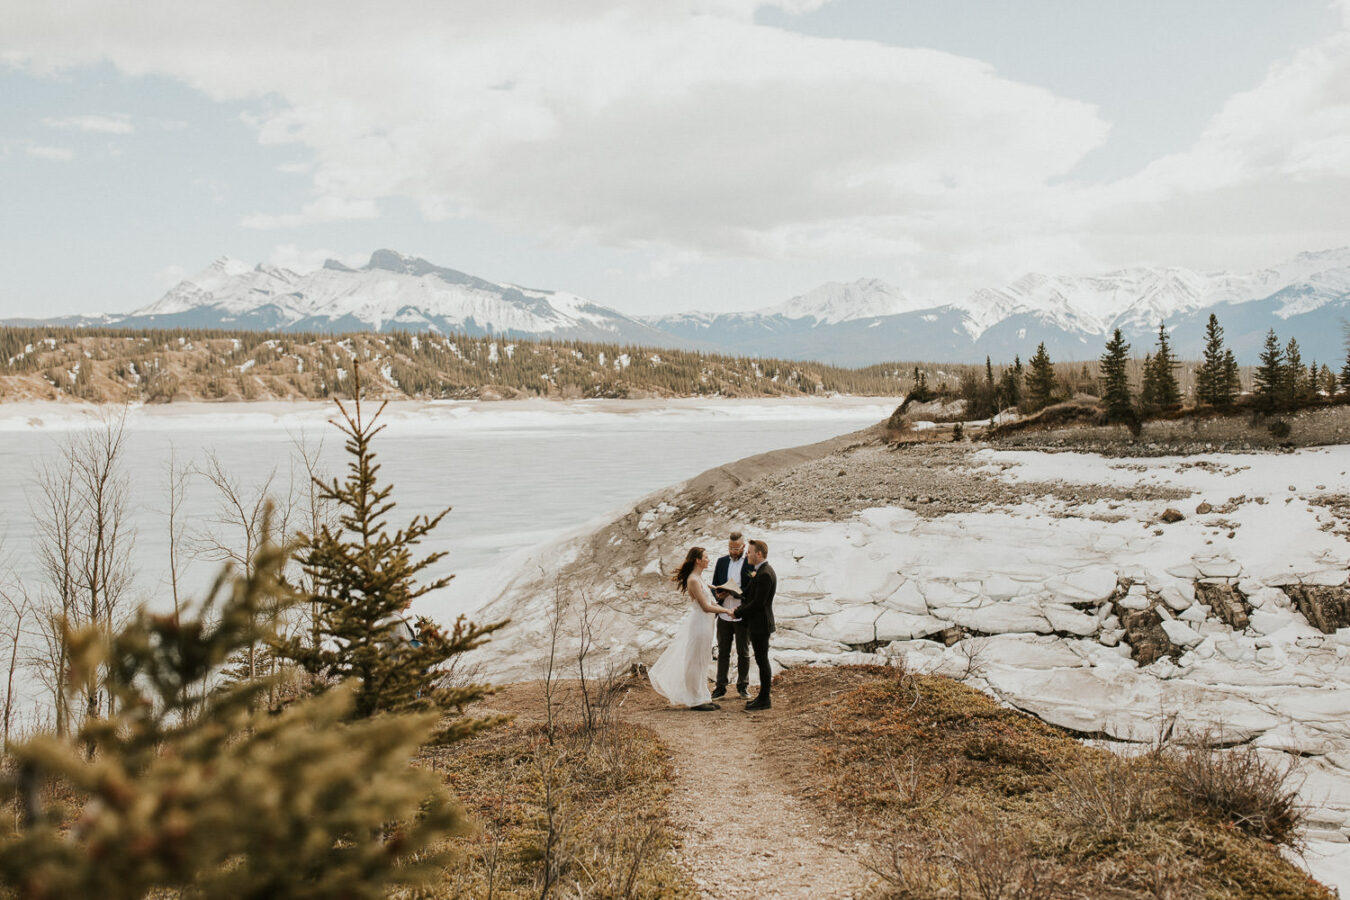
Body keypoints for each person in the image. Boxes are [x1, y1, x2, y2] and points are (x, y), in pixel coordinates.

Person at [648, 546, 736, 711]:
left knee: (702, 660)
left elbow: (711, 602)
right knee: (695, 661)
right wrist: (726, 610)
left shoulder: (700, 578)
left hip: (707, 623)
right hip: (700, 623)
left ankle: (703, 696)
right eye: (706, 557)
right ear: (698, 560)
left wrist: (723, 600)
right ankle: (695, 699)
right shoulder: (694, 580)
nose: (709, 560)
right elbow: (705, 606)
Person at [734, 539, 777, 710]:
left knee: (762, 660)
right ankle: (763, 697)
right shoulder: (760, 571)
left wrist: (738, 612)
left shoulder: (765, 573)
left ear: (759, 554)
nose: (747, 555)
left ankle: (765, 699)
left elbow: (758, 603)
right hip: (758, 623)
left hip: (761, 623)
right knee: (761, 659)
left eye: (750, 552)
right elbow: (751, 595)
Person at [710, 532, 749, 700]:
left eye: (736, 548)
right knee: (723, 652)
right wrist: (718, 594)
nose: (733, 551)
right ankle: (720, 687)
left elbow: (753, 589)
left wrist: (737, 594)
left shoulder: (750, 563)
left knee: (743, 652)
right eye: (730, 548)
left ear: (743, 547)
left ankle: (743, 687)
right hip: (724, 614)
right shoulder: (721, 561)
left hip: (742, 615)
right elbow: (715, 583)